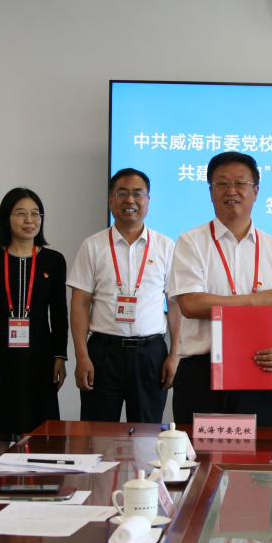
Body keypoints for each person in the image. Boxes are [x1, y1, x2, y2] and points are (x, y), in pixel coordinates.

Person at [168, 152, 272, 427]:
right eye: (222, 184)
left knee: (257, 452)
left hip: (256, 369)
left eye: (240, 183)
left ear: (256, 191)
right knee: (200, 451)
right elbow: (191, 304)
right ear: (211, 192)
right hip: (202, 372)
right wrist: (256, 301)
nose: (231, 191)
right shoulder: (191, 242)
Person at [68, 169, 179, 423]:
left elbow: (174, 305)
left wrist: (175, 354)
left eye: (138, 194)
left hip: (151, 354)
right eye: (122, 193)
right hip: (103, 353)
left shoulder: (165, 246)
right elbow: (79, 303)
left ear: (148, 200)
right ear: (111, 200)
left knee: (147, 435)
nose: (130, 200)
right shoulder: (93, 245)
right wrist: (82, 356)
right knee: (97, 435)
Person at [0, 188, 68, 458]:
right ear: (6, 218)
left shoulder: (53, 260)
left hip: (40, 360)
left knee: (39, 440)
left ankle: (35, 486)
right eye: (21, 213)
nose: (29, 220)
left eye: (35, 214)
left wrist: (60, 356)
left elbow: (59, 314)